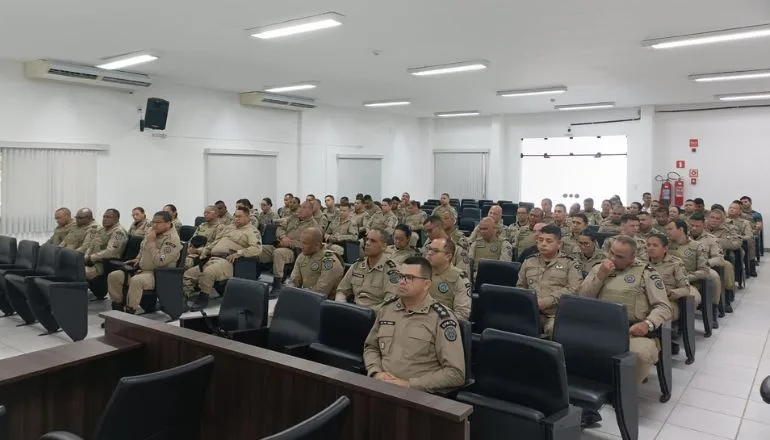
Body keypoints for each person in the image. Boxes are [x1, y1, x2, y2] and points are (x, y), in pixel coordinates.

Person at [579, 235, 672, 387]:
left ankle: (623, 392)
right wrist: (601, 275)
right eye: (611, 253)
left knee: (641, 355)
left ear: (632, 257)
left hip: (632, 331)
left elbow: (663, 307)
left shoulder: (647, 273)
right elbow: (582, 298)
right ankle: (592, 387)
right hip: (599, 327)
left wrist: (647, 324)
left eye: (619, 256)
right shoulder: (599, 268)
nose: (613, 258)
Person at [363, 256, 465, 393]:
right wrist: (375, 372)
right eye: (401, 276)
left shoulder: (442, 319)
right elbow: (371, 347)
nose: (402, 282)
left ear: (427, 284)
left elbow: (455, 373)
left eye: (409, 278)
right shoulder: (387, 309)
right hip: (380, 387)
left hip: (417, 397)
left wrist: (409, 385)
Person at [183, 206, 263, 310]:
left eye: (239, 216)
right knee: (188, 274)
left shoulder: (252, 231)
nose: (236, 219)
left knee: (208, 273)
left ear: (247, 217)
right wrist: (206, 250)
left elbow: (257, 248)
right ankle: (184, 298)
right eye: (235, 216)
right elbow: (217, 241)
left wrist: (240, 253)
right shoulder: (230, 227)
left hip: (228, 261)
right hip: (212, 258)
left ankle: (203, 298)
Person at [106, 211, 182, 314]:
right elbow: (142, 248)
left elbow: (160, 261)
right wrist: (138, 259)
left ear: (168, 223)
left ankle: (130, 312)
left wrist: (152, 243)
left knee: (136, 281)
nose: (154, 225)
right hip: (141, 269)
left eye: (158, 222)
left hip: (158, 274)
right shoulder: (152, 231)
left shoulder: (172, 240)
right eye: (153, 222)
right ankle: (117, 309)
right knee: (114, 276)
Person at [517, 225, 583, 337]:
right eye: (540, 240)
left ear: (559, 244)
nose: (543, 244)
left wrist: (547, 301)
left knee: (555, 330)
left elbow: (574, 289)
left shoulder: (570, 263)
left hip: (556, 314)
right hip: (531, 311)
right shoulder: (529, 261)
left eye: (549, 241)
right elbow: (520, 286)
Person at [666, 220, 720, 327]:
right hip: (667, 281)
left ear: (680, 230)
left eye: (670, 229)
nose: (667, 232)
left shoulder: (697, 246)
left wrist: (684, 278)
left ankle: (684, 327)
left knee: (692, 298)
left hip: (688, 283)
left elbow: (704, 271)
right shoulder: (665, 244)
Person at [335, 228, 399, 308]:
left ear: (384, 246)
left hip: (376, 315)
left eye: (373, 241)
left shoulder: (392, 270)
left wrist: (367, 314)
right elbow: (342, 290)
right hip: (353, 310)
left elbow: (390, 303)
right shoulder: (357, 265)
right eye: (367, 239)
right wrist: (341, 304)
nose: (367, 243)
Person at [645, 234, 701, 322]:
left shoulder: (675, 263)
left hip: (667, 301)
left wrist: (670, 293)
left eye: (655, 245)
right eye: (648, 245)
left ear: (665, 248)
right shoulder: (641, 262)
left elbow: (685, 288)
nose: (651, 248)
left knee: (659, 313)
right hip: (645, 299)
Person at [272, 201, 319, 290]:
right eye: (301, 207)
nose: (300, 209)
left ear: (311, 211)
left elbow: (309, 244)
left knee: (279, 253)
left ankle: (277, 285)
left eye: (304, 208)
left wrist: (290, 243)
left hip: (295, 251)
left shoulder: (314, 226)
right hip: (280, 243)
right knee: (262, 250)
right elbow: (280, 228)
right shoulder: (293, 218)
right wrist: (283, 237)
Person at [288, 227, 344, 298]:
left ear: (317, 244)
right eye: (301, 242)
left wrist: (301, 296)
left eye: (305, 243)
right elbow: (294, 280)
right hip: (307, 295)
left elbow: (321, 290)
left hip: (325, 302)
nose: (301, 246)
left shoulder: (329, 261)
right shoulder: (302, 256)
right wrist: (289, 293)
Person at [424, 238, 471, 320]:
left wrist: (434, 320)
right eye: (429, 249)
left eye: (435, 251)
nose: (429, 253)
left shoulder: (459, 278)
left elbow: (462, 314)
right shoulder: (421, 271)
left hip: (440, 323)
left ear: (448, 256)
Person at [702, 210, 739, 306]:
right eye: (712, 217)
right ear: (707, 218)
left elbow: (729, 243)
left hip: (718, 257)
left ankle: (727, 295)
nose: (714, 220)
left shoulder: (725, 230)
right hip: (702, 257)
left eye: (717, 218)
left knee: (728, 266)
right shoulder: (701, 227)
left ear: (721, 221)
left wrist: (712, 241)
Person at [83, 209, 128, 280]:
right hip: (92, 262)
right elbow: (91, 246)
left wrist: (90, 258)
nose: (104, 219)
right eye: (104, 217)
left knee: (76, 271)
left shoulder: (118, 232)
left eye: (108, 217)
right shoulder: (102, 230)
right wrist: (86, 256)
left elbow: (111, 252)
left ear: (116, 219)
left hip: (103, 265)